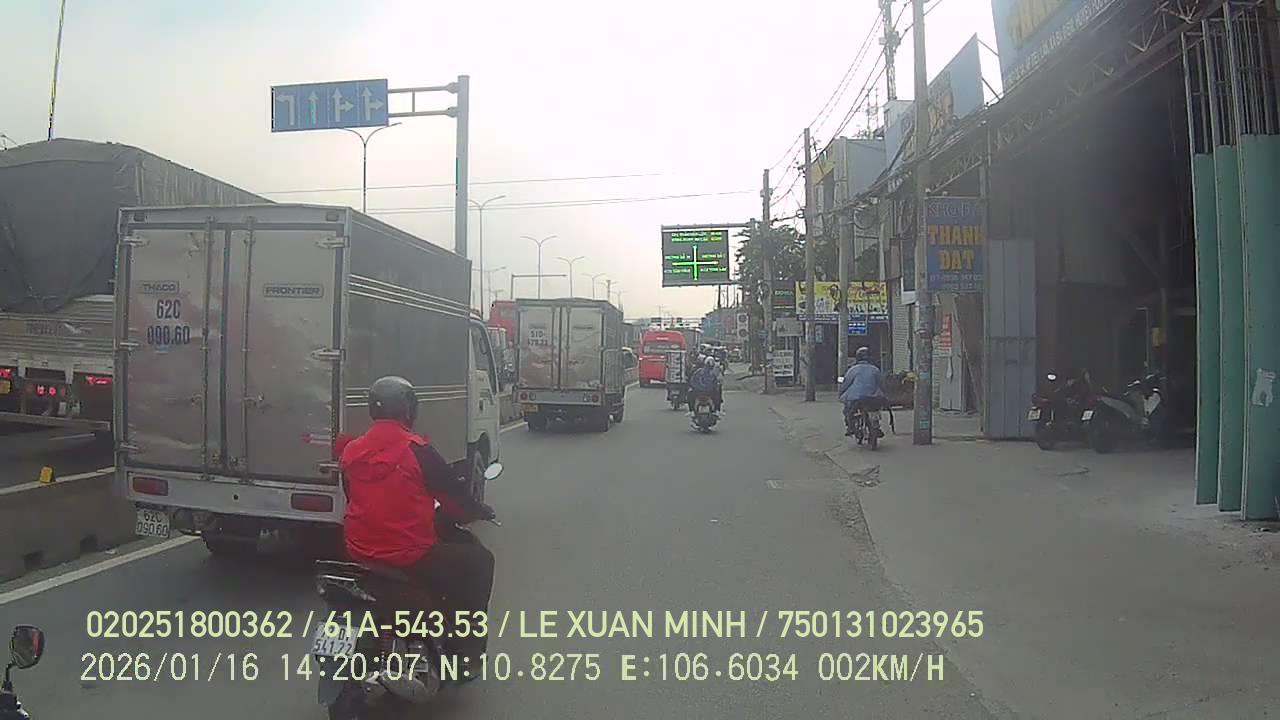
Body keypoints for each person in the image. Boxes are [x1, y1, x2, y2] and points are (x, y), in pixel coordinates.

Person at [336, 376, 496, 670]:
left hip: (358, 550)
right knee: (480, 561)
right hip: (408, 554)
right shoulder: (417, 451)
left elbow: (352, 495)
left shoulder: (351, 450)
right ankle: (467, 650)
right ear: (409, 410)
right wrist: (478, 511)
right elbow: (456, 503)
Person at [838, 346, 886, 436]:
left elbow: (846, 383)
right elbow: (881, 383)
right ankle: (877, 426)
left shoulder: (853, 369)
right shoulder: (875, 369)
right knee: (876, 410)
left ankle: (851, 427)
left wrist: (841, 393)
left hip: (856, 398)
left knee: (848, 410)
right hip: (874, 397)